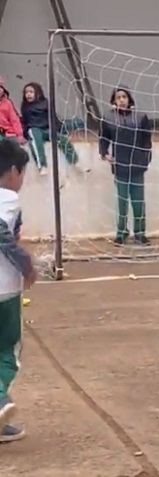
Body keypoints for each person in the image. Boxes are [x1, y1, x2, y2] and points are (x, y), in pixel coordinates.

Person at [0, 139, 36, 442]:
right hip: (4, 291)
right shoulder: (8, 199)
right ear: (13, 171)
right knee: (8, 351)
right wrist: (26, 264)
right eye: (22, 173)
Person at [99, 86, 152, 246]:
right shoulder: (108, 117)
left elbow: (146, 140)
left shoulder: (141, 117)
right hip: (120, 165)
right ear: (113, 100)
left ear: (129, 99)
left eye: (124, 97)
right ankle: (121, 233)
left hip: (137, 165)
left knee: (138, 201)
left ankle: (140, 233)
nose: (121, 100)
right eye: (118, 97)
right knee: (122, 202)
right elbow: (103, 138)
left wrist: (145, 160)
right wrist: (104, 153)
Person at [20, 82, 79, 176]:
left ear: (37, 93)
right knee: (35, 140)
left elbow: (53, 118)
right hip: (35, 130)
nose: (28, 94)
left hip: (47, 130)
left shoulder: (45, 103)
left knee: (62, 139)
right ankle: (42, 166)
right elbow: (25, 122)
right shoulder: (25, 106)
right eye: (26, 92)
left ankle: (75, 161)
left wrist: (57, 129)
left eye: (31, 92)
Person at [0, 77, 24, 145]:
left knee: (13, 144)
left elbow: (14, 120)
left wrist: (19, 135)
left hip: (8, 132)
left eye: (1, 87)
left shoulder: (8, 103)